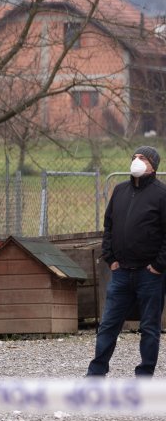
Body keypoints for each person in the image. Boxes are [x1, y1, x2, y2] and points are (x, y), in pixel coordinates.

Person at [87, 146, 166, 377]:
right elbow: (109, 225)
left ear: (153, 165)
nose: (136, 161)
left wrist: (158, 266)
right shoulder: (120, 190)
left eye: (142, 158)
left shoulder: (162, 195)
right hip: (121, 272)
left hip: (149, 275)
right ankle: (96, 373)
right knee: (108, 325)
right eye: (134, 157)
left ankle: (144, 375)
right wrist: (110, 257)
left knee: (149, 328)